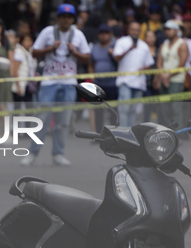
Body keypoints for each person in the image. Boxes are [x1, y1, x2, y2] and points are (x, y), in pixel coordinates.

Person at [21, 4, 90, 167]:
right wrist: (50, 48)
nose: (66, 20)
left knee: (63, 121)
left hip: (68, 83)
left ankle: (58, 153)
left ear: (73, 19)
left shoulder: (78, 35)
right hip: (49, 82)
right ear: (58, 18)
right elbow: (34, 52)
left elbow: (86, 58)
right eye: (63, 17)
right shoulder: (47, 32)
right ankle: (32, 153)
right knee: (42, 118)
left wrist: (75, 52)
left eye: (69, 17)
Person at [113, 21, 155, 127]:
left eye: (137, 30)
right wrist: (129, 49)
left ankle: (130, 134)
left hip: (139, 83)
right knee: (124, 108)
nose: (135, 32)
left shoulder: (144, 46)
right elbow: (116, 57)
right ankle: (123, 133)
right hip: (124, 81)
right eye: (133, 30)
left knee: (133, 110)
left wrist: (143, 69)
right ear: (128, 30)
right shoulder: (122, 42)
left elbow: (149, 64)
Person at [157, 20, 188, 128]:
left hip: (177, 80)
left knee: (176, 108)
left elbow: (182, 64)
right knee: (165, 108)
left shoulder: (182, 44)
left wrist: (167, 76)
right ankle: (168, 133)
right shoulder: (163, 44)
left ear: (176, 30)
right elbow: (159, 62)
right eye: (165, 29)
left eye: (169, 29)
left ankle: (177, 133)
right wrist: (163, 76)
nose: (167, 32)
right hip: (164, 80)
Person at [88, 23, 118, 131]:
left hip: (112, 84)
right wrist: (92, 76)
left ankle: (113, 134)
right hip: (98, 84)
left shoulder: (115, 47)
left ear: (110, 35)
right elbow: (91, 63)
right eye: (101, 33)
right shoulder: (95, 48)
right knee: (98, 111)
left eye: (106, 33)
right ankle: (99, 134)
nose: (104, 35)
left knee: (113, 110)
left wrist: (113, 54)